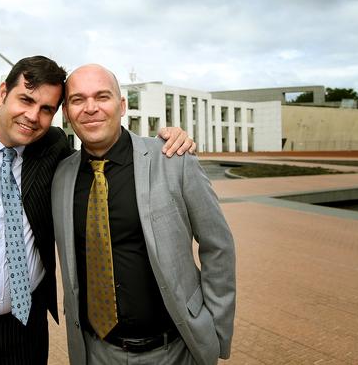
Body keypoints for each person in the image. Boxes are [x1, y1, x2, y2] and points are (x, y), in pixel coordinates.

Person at [0, 56, 195, 364]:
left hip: (23, 331)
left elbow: (103, 145)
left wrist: (164, 139)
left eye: (46, 109)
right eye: (25, 100)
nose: (33, 116)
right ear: (3, 92)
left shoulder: (51, 146)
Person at [52, 64, 236, 365]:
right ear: (68, 113)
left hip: (174, 351)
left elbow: (219, 246)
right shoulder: (60, 176)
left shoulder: (173, 160)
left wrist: (214, 331)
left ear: (122, 105)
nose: (91, 108)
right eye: (77, 100)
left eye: (102, 96)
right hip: (97, 352)